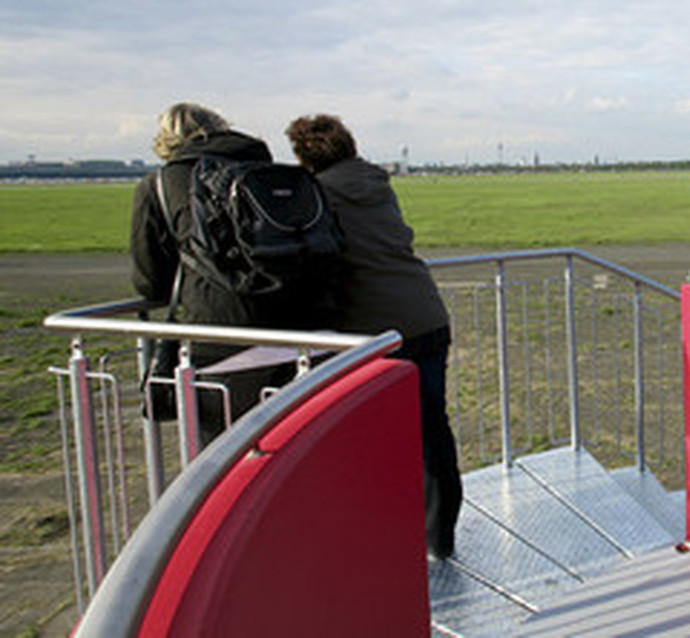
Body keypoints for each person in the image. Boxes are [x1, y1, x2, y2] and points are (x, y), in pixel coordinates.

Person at [285, 114, 462, 559]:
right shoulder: (375, 183)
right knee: (431, 429)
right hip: (425, 315)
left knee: (368, 439)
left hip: (375, 334)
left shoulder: (318, 196)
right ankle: (440, 537)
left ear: (305, 157)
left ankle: (385, 541)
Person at [130, 103, 306, 444]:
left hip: (221, 337)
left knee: (225, 457)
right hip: (299, 328)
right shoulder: (262, 169)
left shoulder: (162, 184)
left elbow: (150, 279)